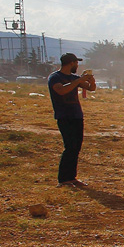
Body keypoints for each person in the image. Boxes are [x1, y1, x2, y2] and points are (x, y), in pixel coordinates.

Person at [47, 52, 96, 186]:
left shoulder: (74, 78)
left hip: (77, 115)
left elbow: (91, 88)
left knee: (76, 147)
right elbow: (61, 91)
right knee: (69, 147)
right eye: (76, 63)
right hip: (64, 116)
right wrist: (78, 81)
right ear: (71, 63)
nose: (77, 65)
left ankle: (72, 177)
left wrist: (91, 80)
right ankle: (63, 179)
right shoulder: (55, 77)